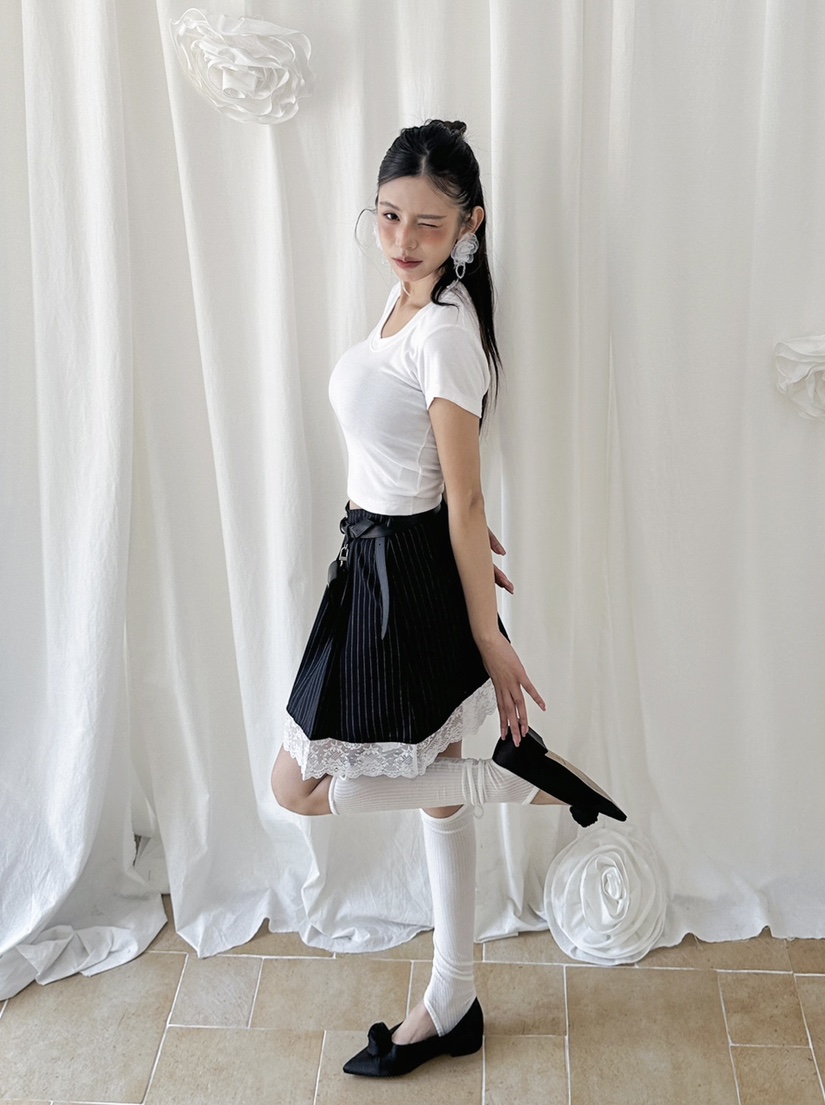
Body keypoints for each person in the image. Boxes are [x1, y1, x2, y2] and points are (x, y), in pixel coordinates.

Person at [271, 119, 625, 1078]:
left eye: (427, 223)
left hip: (403, 581)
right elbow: (428, 472)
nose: (401, 238)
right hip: (384, 561)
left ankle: (521, 782)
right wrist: (442, 532)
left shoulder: (445, 331)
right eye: (388, 215)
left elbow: (464, 496)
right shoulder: (409, 299)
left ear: (470, 223)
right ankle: (454, 997)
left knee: (296, 786)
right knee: (432, 790)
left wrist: (486, 634)